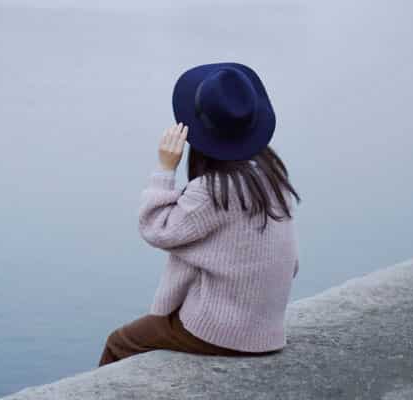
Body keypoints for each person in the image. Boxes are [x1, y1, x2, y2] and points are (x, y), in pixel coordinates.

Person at [98, 62, 301, 367]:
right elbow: (292, 264)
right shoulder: (270, 177)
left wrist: (166, 167)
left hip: (222, 332)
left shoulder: (213, 189)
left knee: (119, 343)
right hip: (267, 330)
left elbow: (156, 228)